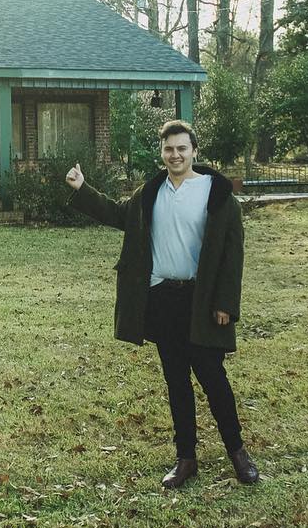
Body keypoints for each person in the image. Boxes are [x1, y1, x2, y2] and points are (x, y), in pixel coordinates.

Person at [65, 119, 259, 491]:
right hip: (162, 299)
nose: (175, 155)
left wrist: (225, 303)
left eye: (182, 148)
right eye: (169, 149)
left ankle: (238, 453)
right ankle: (186, 459)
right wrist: (82, 188)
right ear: (162, 152)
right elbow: (118, 214)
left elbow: (232, 254)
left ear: (194, 151)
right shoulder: (151, 192)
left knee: (213, 379)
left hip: (201, 302)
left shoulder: (216, 194)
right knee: (176, 381)